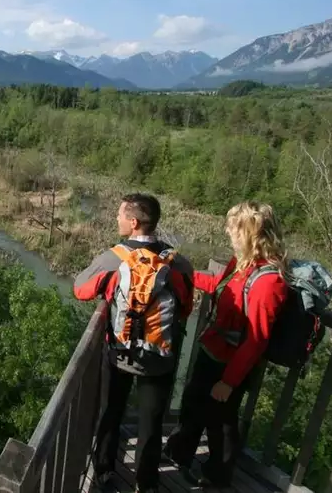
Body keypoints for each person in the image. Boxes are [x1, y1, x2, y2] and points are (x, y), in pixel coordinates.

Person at [164, 201, 289, 489]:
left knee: (221, 423)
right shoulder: (243, 263)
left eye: (233, 228)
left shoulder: (268, 283)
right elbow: (221, 286)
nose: (227, 232)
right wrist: (184, 274)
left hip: (230, 364)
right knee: (194, 405)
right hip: (213, 350)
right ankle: (179, 452)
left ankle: (217, 476)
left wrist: (229, 382)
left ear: (252, 234)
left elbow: (256, 340)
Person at [74, 193, 194, 493]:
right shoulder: (177, 261)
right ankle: (146, 483)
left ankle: (103, 472)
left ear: (134, 222)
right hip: (160, 357)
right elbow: (186, 306)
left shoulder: (114, 257)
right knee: (151, 423)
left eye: (120, 215)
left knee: (112, 411)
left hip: (120, 353)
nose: (116, 219)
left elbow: (79, 289)